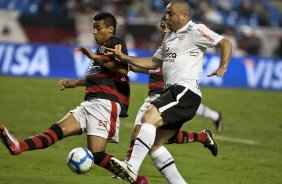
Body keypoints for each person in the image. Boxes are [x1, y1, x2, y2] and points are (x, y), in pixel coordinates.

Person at [0, 12, 148, 184]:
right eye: (93, 28)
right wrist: (75, 82)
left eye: (98, 28)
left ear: (110, 29)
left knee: (98, 154)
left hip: (105, 102)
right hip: (91, 101)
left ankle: (137, 180)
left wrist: (94, 57)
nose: (94, 32)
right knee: (56, 131)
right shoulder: (101, 50)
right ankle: (19, 147)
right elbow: (99, 76)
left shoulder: (115, 43)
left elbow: (122, 70)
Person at [107, 0, 232, 183]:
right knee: (155, 145)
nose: (166, 17)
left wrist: (223, 66)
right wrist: (124, 57)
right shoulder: (169, 38)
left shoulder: (195, 30)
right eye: (166, 13)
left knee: (148, 117)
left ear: (183, 16)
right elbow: (153, 63)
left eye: (170, 13)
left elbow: (225, 42)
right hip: (173, 93)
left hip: (184, 90)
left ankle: (132, 168)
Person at [124, 16, 219, 164]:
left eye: (166, 27)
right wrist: (125, 64)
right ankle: (128, 165)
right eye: (161, 27)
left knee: (149, 135)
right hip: (155, 97)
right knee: (150, 137)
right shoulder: (164, 47)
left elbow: (156, 65)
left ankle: (129, 165)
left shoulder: (181, 46)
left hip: (168, 96)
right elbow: (151, 67)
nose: (163, 30)